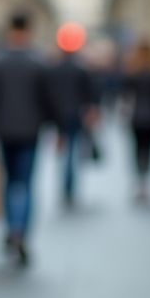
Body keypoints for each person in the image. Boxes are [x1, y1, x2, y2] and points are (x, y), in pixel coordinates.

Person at [0, 11, 57, 265]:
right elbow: (48, 100)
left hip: (2, 130)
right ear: (29, 29)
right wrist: (56, 128)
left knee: (9, 181)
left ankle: (11, 228)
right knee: (24, 182)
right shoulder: (39, 62)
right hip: (30, 130)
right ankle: (20, 230)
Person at [47, 46, 98, 207]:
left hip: (59, 114)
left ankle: (66, 186)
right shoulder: (80, 69)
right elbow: (90, 93)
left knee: (65, 151)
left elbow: (49, 93)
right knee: (72, 151)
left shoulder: (54, 69)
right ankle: (69, 187)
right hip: (76, 114)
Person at [121, 40, 150, 201]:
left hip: (136, 116)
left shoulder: (133, 73)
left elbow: (125, 96)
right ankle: (147, 181)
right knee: (149, 149)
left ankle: (139, 182)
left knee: (136, 149)